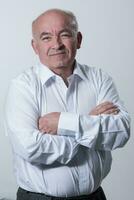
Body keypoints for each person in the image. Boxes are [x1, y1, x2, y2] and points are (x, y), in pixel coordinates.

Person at [5, 8, 130, 200]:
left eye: (64, 35)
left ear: (78, 39)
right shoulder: (23, 86)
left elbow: (120, 132)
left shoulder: (99, 79)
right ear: (35, 46)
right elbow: (30, 147)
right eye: (46, 37)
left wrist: (63, 124)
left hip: (94, 196)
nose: (57, 44)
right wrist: (88, 126)